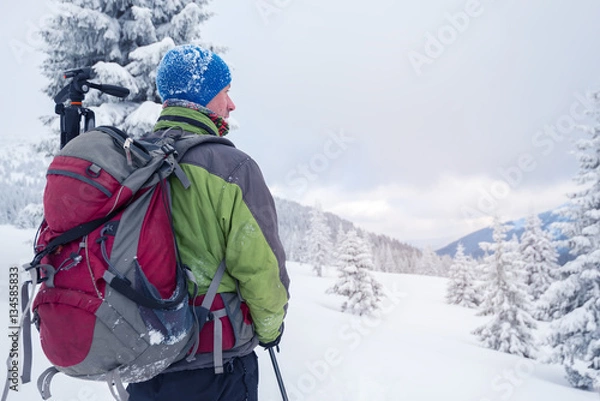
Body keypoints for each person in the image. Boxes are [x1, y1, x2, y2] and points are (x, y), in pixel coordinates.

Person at [127, 44, 290, 401]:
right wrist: (271, 328)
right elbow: (260, 270)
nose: (231, 105)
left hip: (144, 362)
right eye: (225, 93)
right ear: (200, 96)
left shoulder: (131, 162)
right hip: (217, 366)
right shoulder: (232, 168)